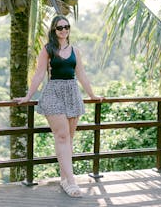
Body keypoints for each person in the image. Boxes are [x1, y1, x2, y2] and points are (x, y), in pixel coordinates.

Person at [14, 15, 104, 198]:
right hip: (53, 93)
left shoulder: (75, 51)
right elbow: (39, 74)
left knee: (69, 139)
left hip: (72, 93)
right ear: (54, 31)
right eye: (59, 27)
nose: (63, 30)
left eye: (66, 27)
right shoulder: (48, 49)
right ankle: (72, 182)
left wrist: (92, 95)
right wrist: (28, 96)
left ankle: (64, 179)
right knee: (62, 136)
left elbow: (81, 74)